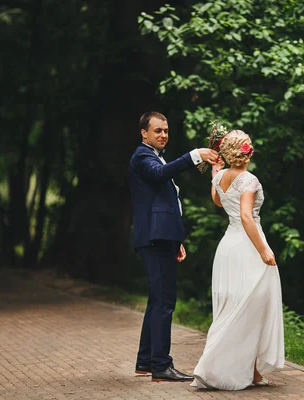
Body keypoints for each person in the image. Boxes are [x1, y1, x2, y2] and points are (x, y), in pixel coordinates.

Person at [191, 130, 285, 390]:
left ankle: (252, 373)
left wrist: (215, 173)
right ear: (247, 152)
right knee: (250, 308)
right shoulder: (250, 180)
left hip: (227, 248)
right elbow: (246, 217)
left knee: (237, 306)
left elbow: (219, 202)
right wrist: (263, 250)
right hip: (247, 246)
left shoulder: (220, 176)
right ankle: (211, 366)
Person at [128, 111, 219, 382]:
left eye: (166, 130)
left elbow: (166, 202)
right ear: (144, 133)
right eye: (158, 131)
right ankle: (161, 366)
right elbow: (160, 175)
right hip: (154, 238)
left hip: (162, 237)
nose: (163, 135)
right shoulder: (143, 157)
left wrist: (176, 238)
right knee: (165, 301)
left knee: (158, 299)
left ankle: (146, 362)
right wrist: (194, 155)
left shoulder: (154, 156)